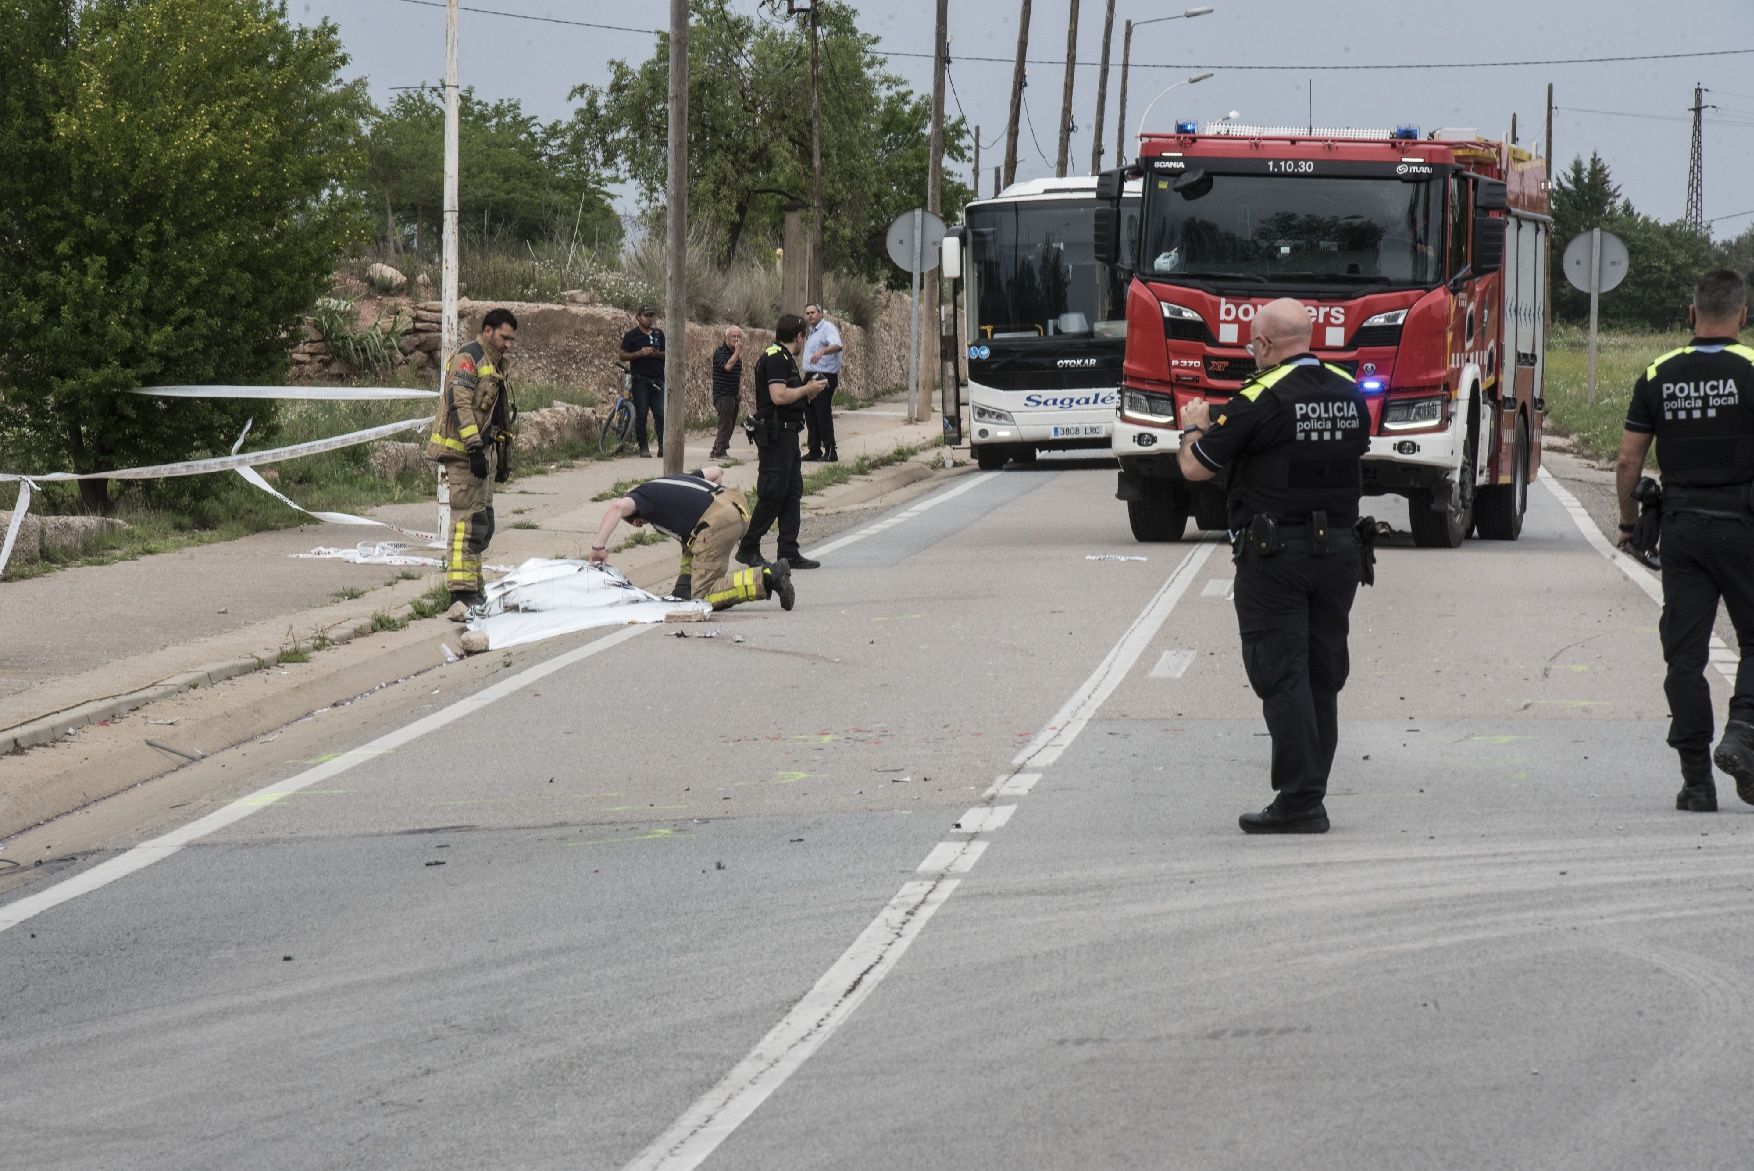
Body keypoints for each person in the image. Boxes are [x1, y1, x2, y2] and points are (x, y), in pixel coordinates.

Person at [1177, 298, 1372, 834]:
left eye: (1252, 345)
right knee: (1321, 676)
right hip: (1340, 552)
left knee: (1282, 673)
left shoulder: (1258, 396)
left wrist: (1193, 427)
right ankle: (1311, 788)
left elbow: (1197, 467)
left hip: (1277, 556)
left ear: (1263, 344)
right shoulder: (1349, 389)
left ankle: (1300, 800)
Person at [1614, 269, 1754, 813]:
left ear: (1692, 314)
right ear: (1743, 315)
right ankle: (1742, 734)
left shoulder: (1658, 372)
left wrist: (1629, 525)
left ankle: (1697, 783)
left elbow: (1628, 461)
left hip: (1682, 528)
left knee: (1684, 657)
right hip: (1744, 527)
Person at [588, 466, 794, 612]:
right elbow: (717, 472)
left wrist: (598, 547)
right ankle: (687, 588)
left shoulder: (642, 499)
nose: (640, 524)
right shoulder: (672, 484)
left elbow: (617, 508)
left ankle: (768, 576)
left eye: (636, 521)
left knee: (702, 597)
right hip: (739, 507)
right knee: (693, 541)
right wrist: (683, 587)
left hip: (718, 522)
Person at [427, 307, 518, 609]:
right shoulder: (469, 358)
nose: (508, 344)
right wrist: (474, 447)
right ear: (488, 330)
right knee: (466, 524)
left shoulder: (494, 362)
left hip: (483, 454)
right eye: (504, 337)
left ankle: (474, 587)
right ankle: (461, 593)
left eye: (512, 339)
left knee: (481, 523)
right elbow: (460, 405)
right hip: (464, 453)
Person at [737, 313, 828, 571]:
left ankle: (788, 551)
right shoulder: (776, 357)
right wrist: (807, 389)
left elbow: (787, 398)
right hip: (776, 437)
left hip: (787, 435)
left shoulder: (784, 357)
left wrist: (807, 393)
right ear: (798, 336)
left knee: (791, 492)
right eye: (803, 337)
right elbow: (778, 396)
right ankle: (748, 547)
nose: (803, 342)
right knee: (773, 492)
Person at [616, 304, 667, 457]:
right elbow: (622, 355)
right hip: (640, 381)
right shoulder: (631, 335)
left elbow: (668, 353)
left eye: (651, 315)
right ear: (638, 317)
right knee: (641, 414)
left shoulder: (659, 334)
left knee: (660, 414)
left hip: (658, 380)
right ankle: (643, 447)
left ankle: (663, 446)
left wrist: (656, 354)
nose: (649, 318)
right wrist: (640, 353)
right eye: (646, 316)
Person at [801, 303, 844, 462]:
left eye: (813, 312)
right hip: (810, 375)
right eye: (807, 313)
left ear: (820, 314)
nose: (810, 315)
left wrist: (822, 351)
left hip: (823, 375)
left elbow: (837, 345)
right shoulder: (811, 332)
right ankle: (814, 449)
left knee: (822, 412)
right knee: (810, 413)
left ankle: (830, 450)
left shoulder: (827, 328)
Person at [710, 325, 744, 460]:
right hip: (723, 394)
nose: (736, 339)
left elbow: (738, 374)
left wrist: (739, 391)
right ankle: (720, 451)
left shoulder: (735, 354)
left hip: (733, 394)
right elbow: (728, 367)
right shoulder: (720, 352)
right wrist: (737, 352)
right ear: (726, 338)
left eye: (738, 336)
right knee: (725, 424)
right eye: (733, 336)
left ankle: (717, 449)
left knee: (730, 424)